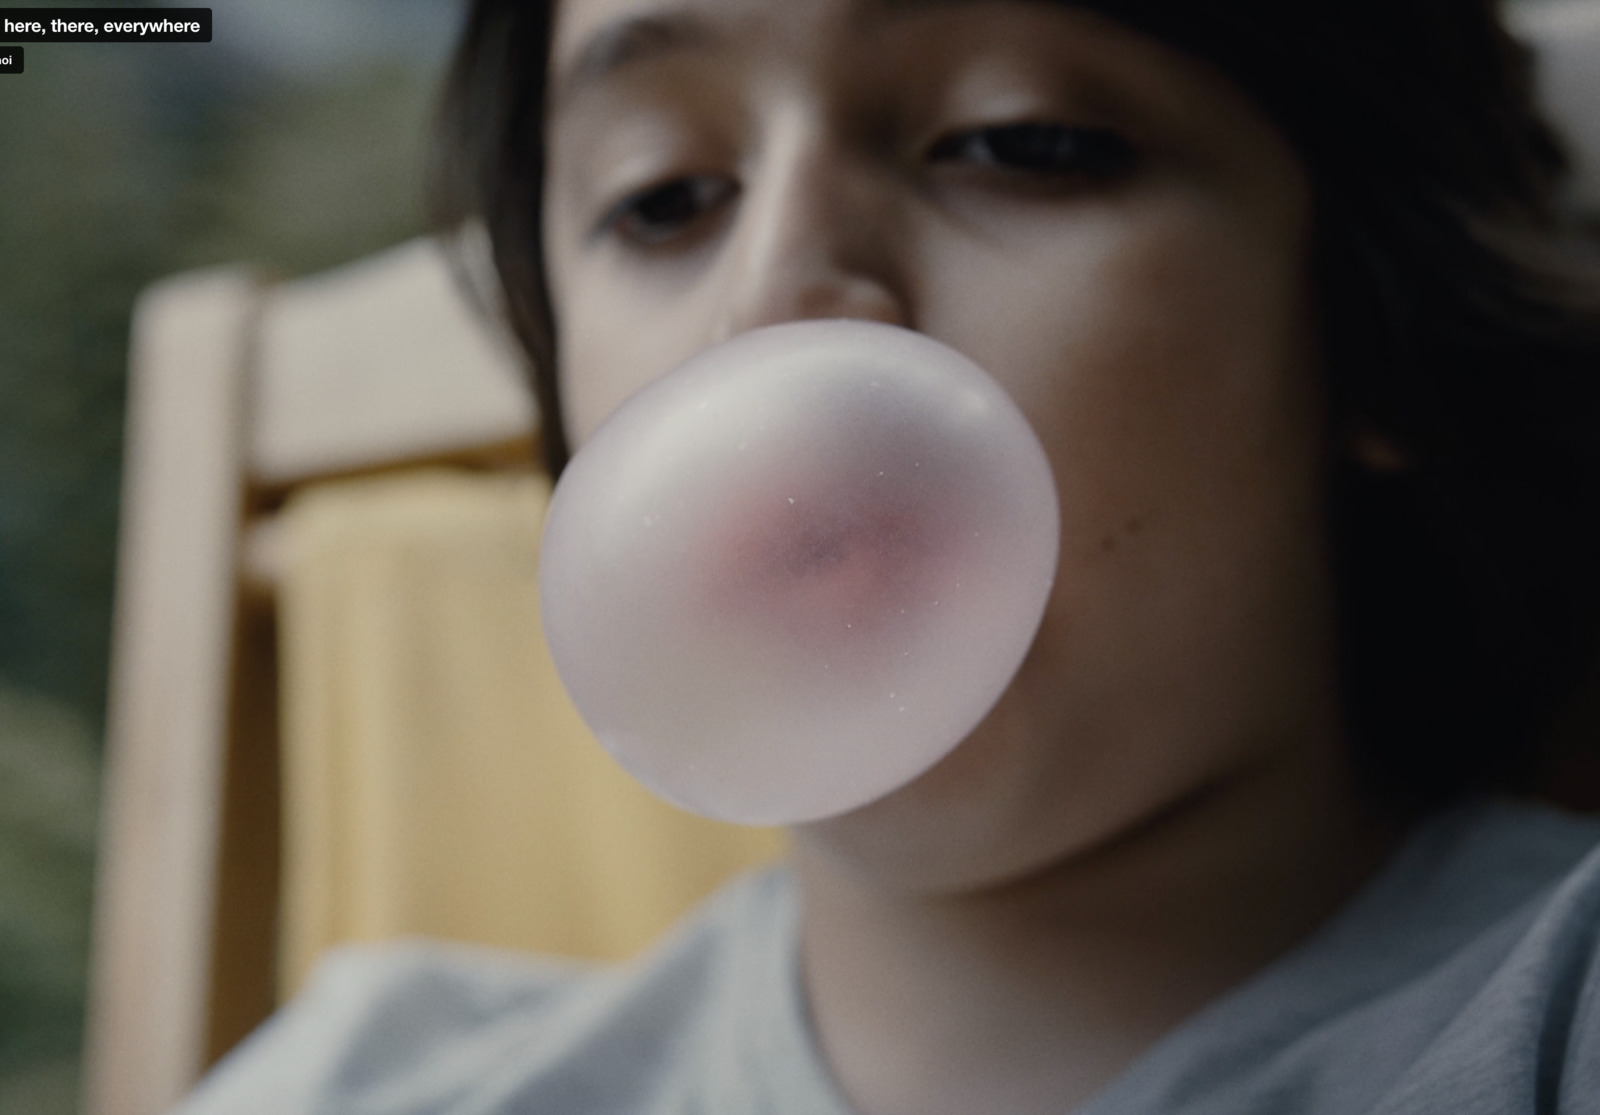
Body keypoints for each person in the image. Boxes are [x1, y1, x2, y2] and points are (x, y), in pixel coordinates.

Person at [174, 0, 1600, 1112]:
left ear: (1378, 328)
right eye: (663, 195)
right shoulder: (360, 1085)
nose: (779, 297)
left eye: (1019, 139)